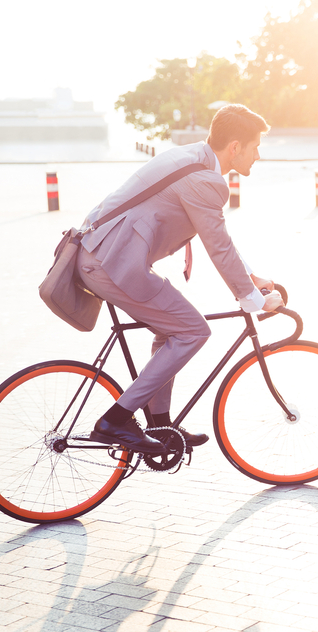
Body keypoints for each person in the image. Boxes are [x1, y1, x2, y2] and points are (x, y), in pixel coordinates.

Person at [78, 104, 283, 454]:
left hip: (103, 254)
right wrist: (254, 299)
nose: (259, 154)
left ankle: (159, 426)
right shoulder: (205, 180)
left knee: (173, 328)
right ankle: (116, 419)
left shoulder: (194, 159)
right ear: (235, 147)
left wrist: (252, 277)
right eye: (255, 146)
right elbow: (218, 246)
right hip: (110, 263)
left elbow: (217, 236)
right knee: (193, 330)